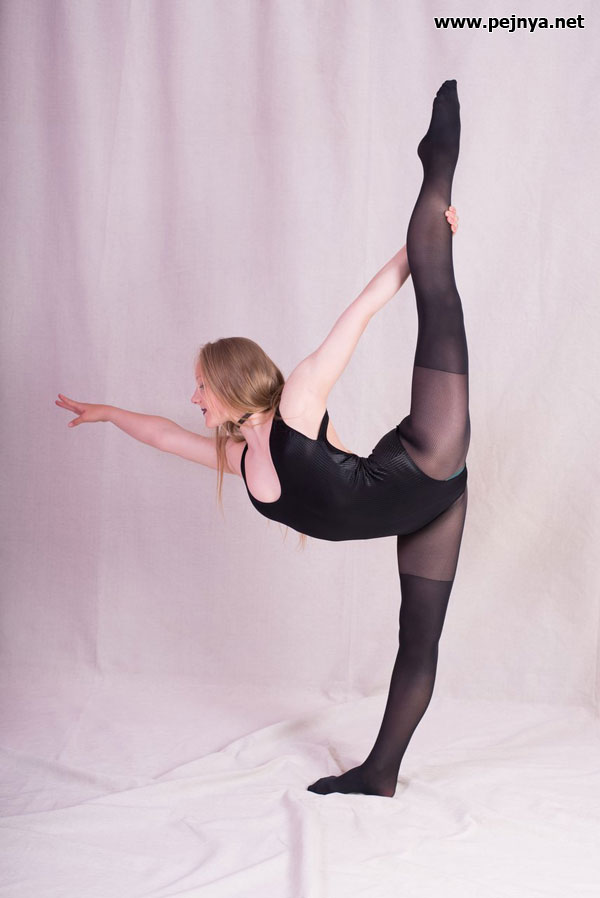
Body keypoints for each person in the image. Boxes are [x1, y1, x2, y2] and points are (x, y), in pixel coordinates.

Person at [56, 80, 468, 798]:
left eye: (201, 386)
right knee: (418, 640)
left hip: (429, 457)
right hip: (429, 508)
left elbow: (363, 311)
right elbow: (163, 436)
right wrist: (107, 413)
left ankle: (437, 166)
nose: (193, 398)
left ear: (229, 383)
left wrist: (420, 247)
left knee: (437, 294)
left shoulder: (298, 404)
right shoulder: (238, 457)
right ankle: (378, 775)